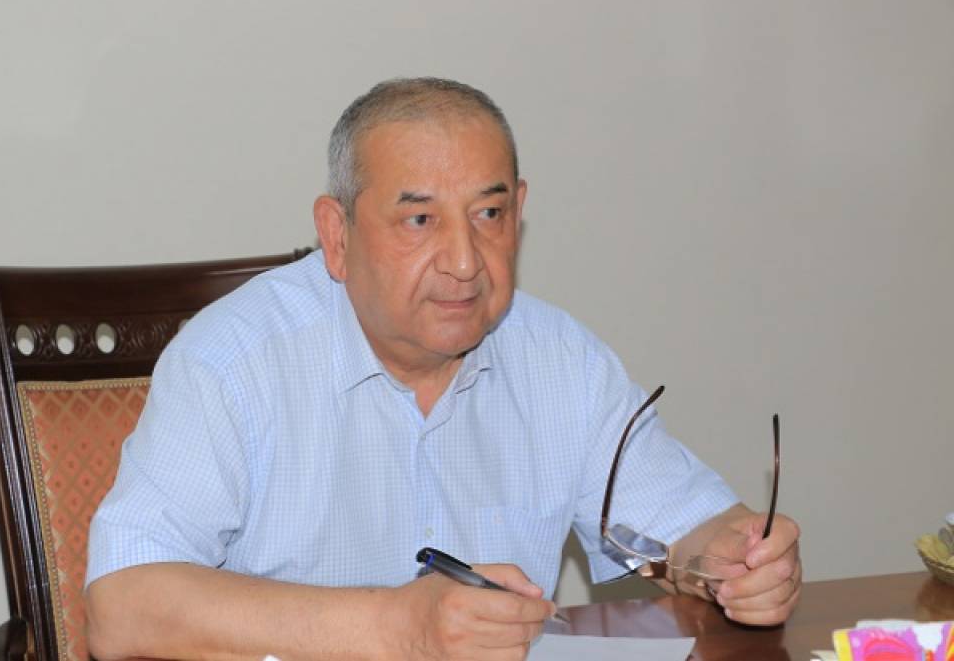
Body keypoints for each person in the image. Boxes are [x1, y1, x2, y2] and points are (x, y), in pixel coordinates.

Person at [85, 77, 802, 661]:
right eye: (420, 220)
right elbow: (122, 608)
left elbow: (688, 534)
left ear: (519, 213)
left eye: (488, 214)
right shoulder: (233, 361)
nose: (464, 261)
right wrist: (400, 628)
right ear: (336, 235)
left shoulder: (560, 360)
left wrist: (735, 563)